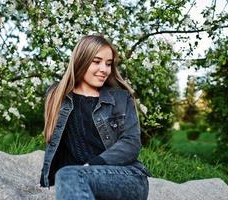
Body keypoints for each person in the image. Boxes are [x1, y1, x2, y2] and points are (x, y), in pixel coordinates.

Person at [40, 35, 151, 200]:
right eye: (96, 61)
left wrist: (91, 165)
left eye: (108, 64)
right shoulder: (57, 96)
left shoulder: (121, 98)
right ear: (81, 60)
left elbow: (131, 143)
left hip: (128, 177)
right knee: (68, 175)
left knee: (69, 175)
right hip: (77, 177)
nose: (104, 69)